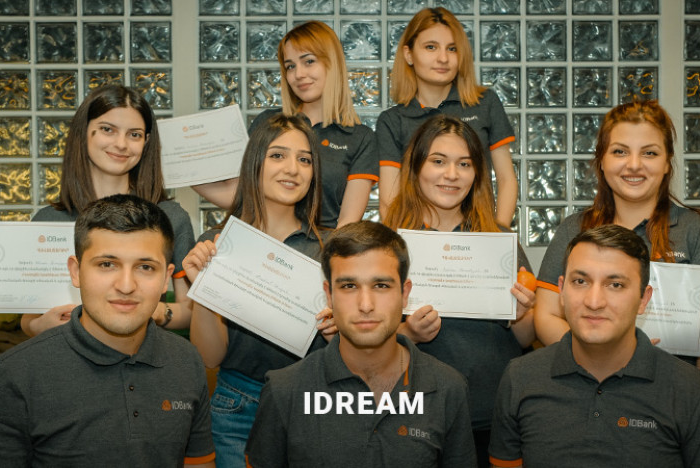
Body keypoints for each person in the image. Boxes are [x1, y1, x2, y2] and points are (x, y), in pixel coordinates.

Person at [0, 195, 215, 467]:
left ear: (165, 278)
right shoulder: (11, 376)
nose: (126, 286)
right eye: (107, 264)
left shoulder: (187, 361)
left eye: (145, 267)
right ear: (76, 272)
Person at [489, 225, 700, 467]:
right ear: (561, 291)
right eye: (580, 281)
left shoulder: (694, 392)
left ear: (643, 299)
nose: (594, 302)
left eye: (615, 284)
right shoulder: (520, 378)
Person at [533, 100, 700, 391]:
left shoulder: (699, 230)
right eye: (620, 151)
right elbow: (546, 315)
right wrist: (604, 358)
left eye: (649, 153)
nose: (633, 165)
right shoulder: (573, 229)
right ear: (601, 160)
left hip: (672, 393)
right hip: (587, 390)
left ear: (667, 163)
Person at [244, 221, 476, 467]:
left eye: (381, 285)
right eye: (349, 286)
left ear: (404, 294)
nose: (366, 305)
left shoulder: (448, 389)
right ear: (329, 295)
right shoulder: (284, 391)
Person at [382, 115, 534, 467]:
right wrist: (407, 333)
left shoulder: (499, 242)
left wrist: (522, 314)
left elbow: (527, 339)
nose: (451, 174)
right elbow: (366, 332)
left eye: (464, 164)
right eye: (438, 161)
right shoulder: (388, 243)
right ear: (416, 167)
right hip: (413, 414)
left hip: (492, 415)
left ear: (477, 174)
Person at [183, 113, 333, 468]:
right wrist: (204, 288)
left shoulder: (331, 248)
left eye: (304, 160)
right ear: (255, 163)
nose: (293, 169)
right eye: (278, 155)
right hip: (236, 407)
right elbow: (209, 358)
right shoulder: (217, 245)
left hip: (313, 403)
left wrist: (339, 331)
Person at [23, 84, 195, 336]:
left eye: (134, 134)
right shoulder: (47, 221)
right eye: (107, 130)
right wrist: (38, 326)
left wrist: (154, 311)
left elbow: (190, 312)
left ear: (146, 141)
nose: (121, 144)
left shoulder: (170, 217)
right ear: (83, 133)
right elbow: (29, 319)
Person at [193, 20, 378, 229]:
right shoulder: (268, 122)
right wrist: (180, 168)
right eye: (290, 66)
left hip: (324, 245)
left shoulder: (360, 138)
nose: (298, 74)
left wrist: (323, 250)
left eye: (309, 61)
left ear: (332, 63)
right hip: (263, 240)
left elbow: (348, 222)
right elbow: (236, 194)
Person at [377, 7, 516, 226]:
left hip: (480, 234)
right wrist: (404, 241)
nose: (443, 58)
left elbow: (506, 179)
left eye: (452, 49)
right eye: (431, 47)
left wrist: (498, 235)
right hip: (417, 237)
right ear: (408, 54)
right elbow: (389, 200)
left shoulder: (485, 103)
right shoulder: (393, 120)